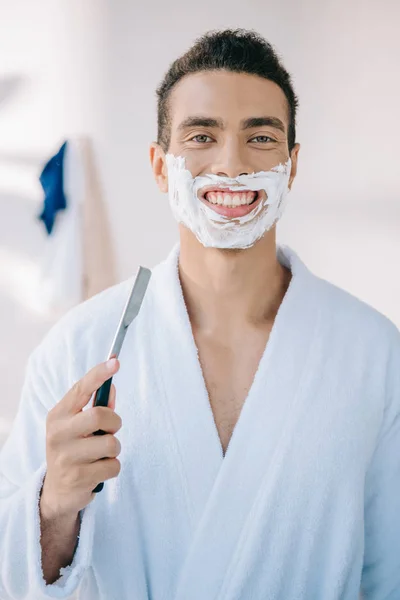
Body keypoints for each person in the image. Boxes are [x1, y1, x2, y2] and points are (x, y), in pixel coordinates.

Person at [0, 28, 399, 600]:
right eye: (202, 135)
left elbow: (390, 574)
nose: (231, 165)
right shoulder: (77, 349)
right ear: (161, 166)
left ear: (292, 164)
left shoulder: (374, 354)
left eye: (261, 137)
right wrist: (54, 505)